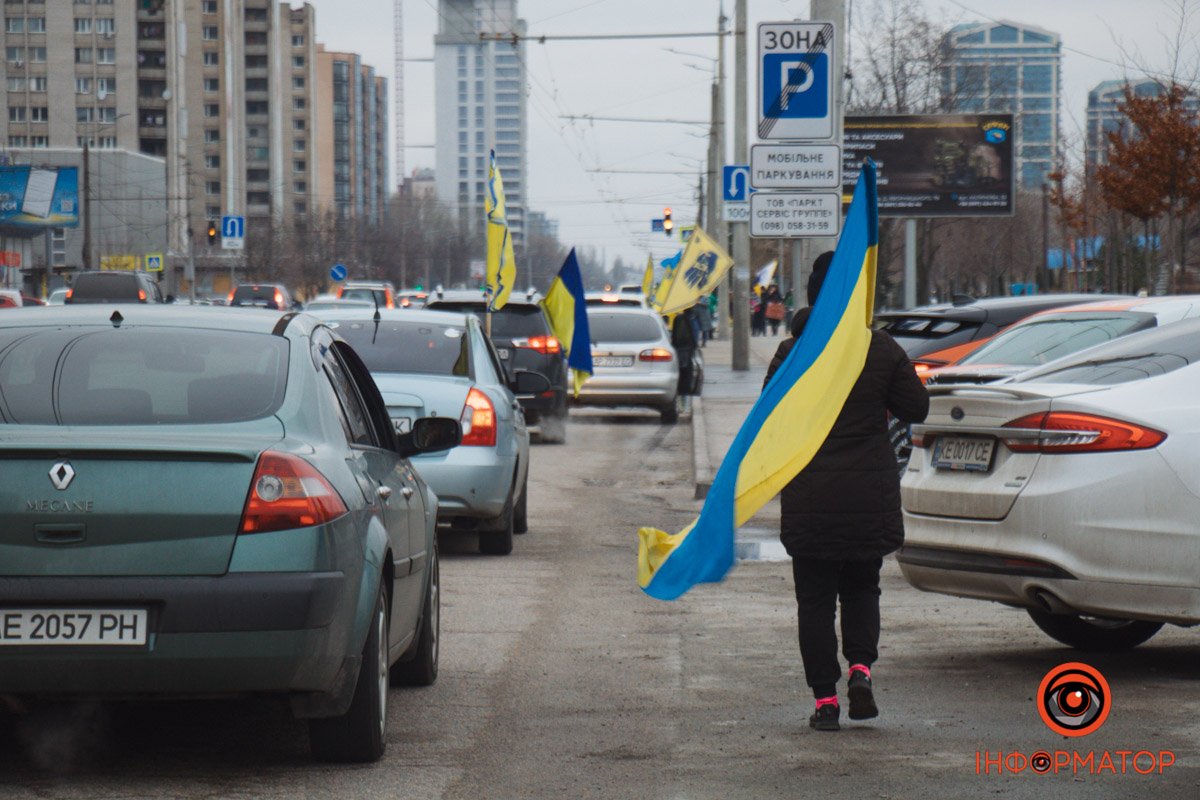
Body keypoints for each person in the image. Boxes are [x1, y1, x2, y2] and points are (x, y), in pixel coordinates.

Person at [763, 251, 929, 733]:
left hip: (810, 499)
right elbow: (915, 407)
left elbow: (767, 419)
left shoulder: (793, 352)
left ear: (814, 296)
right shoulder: (879, 348)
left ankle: (824, 702)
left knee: (814, 600)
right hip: (866, 497)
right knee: (862, 587)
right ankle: (861, 671)